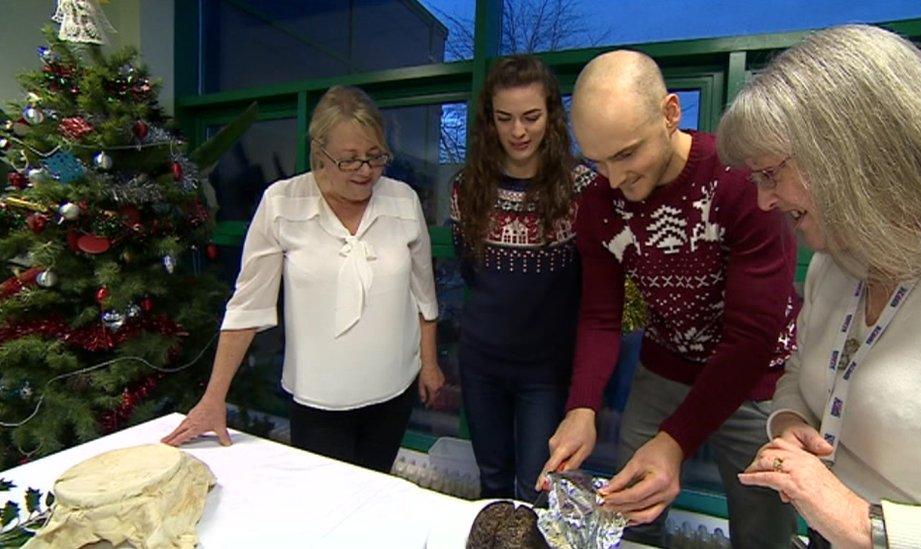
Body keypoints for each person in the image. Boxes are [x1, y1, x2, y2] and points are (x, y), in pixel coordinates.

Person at [717, 24, 921, 548]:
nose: (765, 201)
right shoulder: (834, 262)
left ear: (853, 154)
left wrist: (865, 526)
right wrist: (788, 421)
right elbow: (801, 370)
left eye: (770, 174)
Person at [536, 50, 799, 547]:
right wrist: (583, 406)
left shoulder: (743, 183)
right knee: (631, 509)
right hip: (666, 367)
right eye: (597, 160)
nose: (614, 179)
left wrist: (675, 440)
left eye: (628, 154)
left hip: (757, 380)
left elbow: (751, 337)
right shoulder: (599, 204)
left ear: (670, 114)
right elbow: (599, 315)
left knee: (763, 526)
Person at [162, 85, 444, 474]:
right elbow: (247, 305)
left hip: (394, 390)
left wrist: (429, 364)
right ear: (320, 154)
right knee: (325, 509)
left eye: (376, 157)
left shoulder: (402, 200)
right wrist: (214, 398)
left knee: (374, 497)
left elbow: (423, 295)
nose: (366, 171)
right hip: (319, 400)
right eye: (349, 160)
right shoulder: (283, 202)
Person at [450, 55, 597, 502]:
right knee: (492, 481)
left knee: (539, 487)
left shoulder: (583, 188)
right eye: (505, 119)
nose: (518, 132)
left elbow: (597, 291)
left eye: (531, 117)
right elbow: (470, 271)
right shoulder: (466, 187)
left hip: (547, 371)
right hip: (481, 364)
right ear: (488, 122)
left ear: (552, 116)